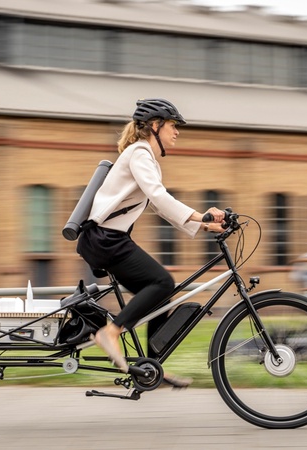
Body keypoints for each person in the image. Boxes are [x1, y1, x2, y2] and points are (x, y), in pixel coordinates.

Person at [76, 98, 225, 386]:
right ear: (155, 126)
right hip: (106, 240)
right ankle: (110, 332)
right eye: (172, 125)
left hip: (106, 239)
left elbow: (157, 206)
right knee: (162, 283)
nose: (177, 131)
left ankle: (151, 367)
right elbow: (159, 197)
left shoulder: (144, 157)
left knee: (160, 294)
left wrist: (204, 225)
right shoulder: (140, 154)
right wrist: (199, 214)